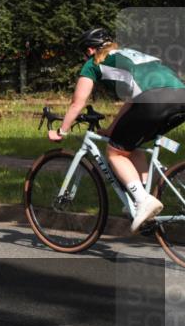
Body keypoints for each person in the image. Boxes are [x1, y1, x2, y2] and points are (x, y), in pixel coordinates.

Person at [50, 27, 185, 233]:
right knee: (131, 148)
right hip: (179, 96)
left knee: (114, 153)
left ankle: (143, 202)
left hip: (153, 100)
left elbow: (77, 103)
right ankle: (146, 200)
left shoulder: (93, 63)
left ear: (89, 50)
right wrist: (113, 128)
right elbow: (133, 100)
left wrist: (62, 131)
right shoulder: (130, 54)